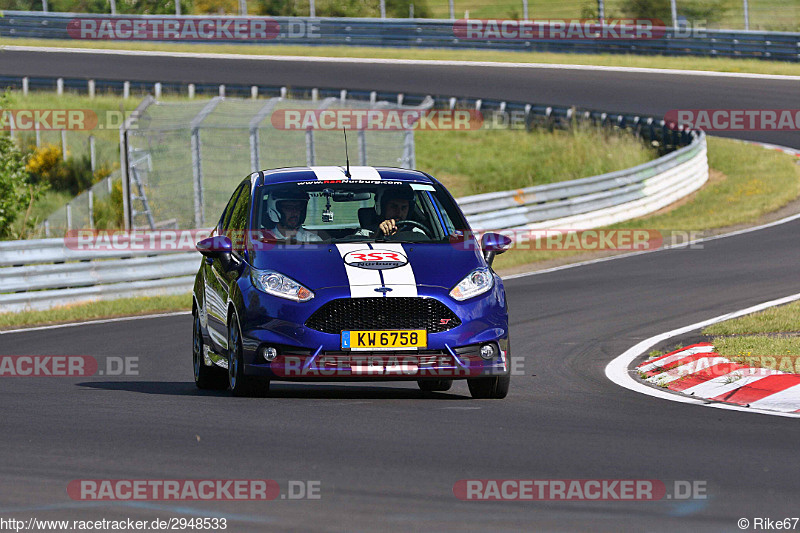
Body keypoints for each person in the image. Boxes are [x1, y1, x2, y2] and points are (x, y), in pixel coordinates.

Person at [360, 187, 425, 237]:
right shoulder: (365, 233)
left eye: (404, 208)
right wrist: (377, 236)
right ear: (382, 208)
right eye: (394, 206)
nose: (399, 213)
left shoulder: (416, 233)